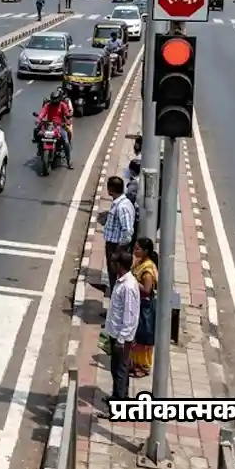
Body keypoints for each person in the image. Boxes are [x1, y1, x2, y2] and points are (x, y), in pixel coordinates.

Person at [100, 251, 139, 418]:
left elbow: (130, 316)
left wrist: (121, 339)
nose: (112, 266)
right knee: (116, 369)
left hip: (122, 337)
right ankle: (119, 396)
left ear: (120, 266)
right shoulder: (122, 281)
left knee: (120, 370)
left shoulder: (128, 286)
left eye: (115, 263)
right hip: (115, 333)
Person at [129, 238, 159, 378]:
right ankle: (135, 363)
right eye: (135, 248)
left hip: (145, 307)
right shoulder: (139, 262)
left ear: (145, 251)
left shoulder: (147, 270)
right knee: (136, 335)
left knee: (143, 337)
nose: (135, 251)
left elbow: (146, 291)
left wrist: (132, 280)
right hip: (136, 304)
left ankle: (144, 366)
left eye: (138, 249)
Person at [103, 175, 137, 293]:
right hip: (113, 246)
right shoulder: (119, 203)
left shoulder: (122, 207)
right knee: (113, 278)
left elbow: (127, 232)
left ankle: (115, 306)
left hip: (116, 247)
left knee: (116, 278)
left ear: (110, 189)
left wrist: (118, 251)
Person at [35, 91, 73, 168]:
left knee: (66, 142)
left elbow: (67, 114)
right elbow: (42, 113)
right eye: (53, 99)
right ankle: (39, 149)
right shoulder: (48, 105)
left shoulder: (63, 105)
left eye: (56, 99)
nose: (54, 101)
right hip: (49, 125)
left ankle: (69, 161)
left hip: (60, 126)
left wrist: (68, 118)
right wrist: (38, 119)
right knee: (39, 134)